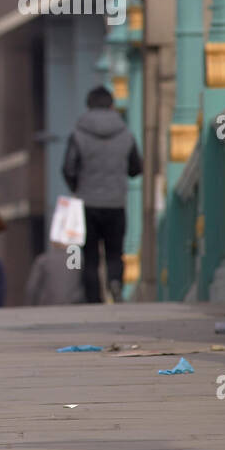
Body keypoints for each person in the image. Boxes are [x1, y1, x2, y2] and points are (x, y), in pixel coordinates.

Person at [61, 86, 142, 303]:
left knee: (89, 256)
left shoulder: (78, 134)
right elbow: (136, 168)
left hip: (87, 204)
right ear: (111, 105)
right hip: (116, 202)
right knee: (115, 252)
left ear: (89, 105)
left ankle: (93, 299)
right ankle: (115, 282)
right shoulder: (126, 134)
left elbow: (68, 168)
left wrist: (78, 186)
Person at [25, 240, 83, 306]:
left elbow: (32, 287)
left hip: (49, 304)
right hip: (73, 304)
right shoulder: (78, 260)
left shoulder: (43, 260)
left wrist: (30, 305)